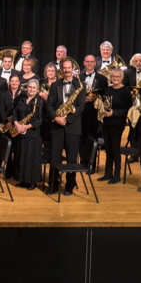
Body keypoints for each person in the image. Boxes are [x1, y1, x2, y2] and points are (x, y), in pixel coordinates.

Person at [45, 58, 86, 195]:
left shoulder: (81, 85)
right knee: (54, 158)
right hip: (57, 126)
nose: (67, 70)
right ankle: (53, 184)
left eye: (69, 68)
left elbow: (80, 107)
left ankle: (69, 185)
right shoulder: (55, 85)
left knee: (72, 159)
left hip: (73, 127)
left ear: (73, 69)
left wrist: (67, 119)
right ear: (61, 70)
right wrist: (56, 118)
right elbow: (49, 104)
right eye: (65, 68)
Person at [98, 68, 132, 184]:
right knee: (108, 148)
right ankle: (108, 173)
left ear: (122, 78)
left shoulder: (125, 91)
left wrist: (114, 113)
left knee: (115, 148)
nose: (115, 78)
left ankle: (117, 175)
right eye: (113, 77)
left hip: (118, 123)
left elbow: (128, 110)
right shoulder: (107, 90)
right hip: (106, 122)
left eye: (117, 76)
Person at [13, 79, 44, 190]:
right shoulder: (21, 100)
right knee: (21, 156)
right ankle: (22, 180)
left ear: (37, 90)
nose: (31, 89)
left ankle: (32, 181)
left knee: (31, 158)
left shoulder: (39, 101)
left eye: (33, 87)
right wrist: (17, 125)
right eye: (29, 87)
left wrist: (26, 126)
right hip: (21, 132)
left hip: (33, 134)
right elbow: (15, 113)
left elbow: (39, 119)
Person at [79, 55, 108, 165]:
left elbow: (105, 96)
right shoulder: (78, 77)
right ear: (84, 63)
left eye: (92, 62)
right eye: (87, 61)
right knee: (81, 138)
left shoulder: (102, 79)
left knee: (92, 138)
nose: (89, 63)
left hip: (93, 113)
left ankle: (91, 164)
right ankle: (82, 162)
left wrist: (94, 98)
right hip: (80, 112)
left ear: (95, 63)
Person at [0, 74, 25, 177]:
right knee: (8, 150)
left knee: (18, 149)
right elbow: (1, 109)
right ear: (9, 82)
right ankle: (8, 171)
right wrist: (6, 122)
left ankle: (17, 171)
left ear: (19, 82)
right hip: (8, 126)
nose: (14, 83)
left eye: (16, 81)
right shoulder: (4, 94)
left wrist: (17, 123)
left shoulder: (23, 95)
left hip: (19, 124)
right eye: (12, 81)